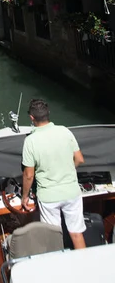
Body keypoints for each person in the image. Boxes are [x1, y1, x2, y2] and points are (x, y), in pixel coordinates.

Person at [21, 98, 86, 249]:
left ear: (32, 118)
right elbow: (79, 159)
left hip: (49, 197)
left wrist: (25, 197)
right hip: (72, 192)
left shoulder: (31, 141)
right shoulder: (65, 131)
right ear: (48, 113)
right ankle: (85, 267)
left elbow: (29, 175)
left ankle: (57, 269)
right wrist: (68, 170)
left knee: (53, 237)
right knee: (77, 234)